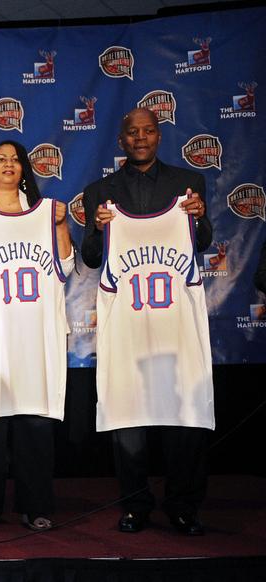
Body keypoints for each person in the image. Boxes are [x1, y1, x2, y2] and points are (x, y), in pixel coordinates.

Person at [82, 107, 213, 536]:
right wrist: (97, 228)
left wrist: (198, 216)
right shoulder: (100, 191)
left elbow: (203, 242)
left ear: (158, 136)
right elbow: (91, 258)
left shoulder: (188, 184)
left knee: (184, 416)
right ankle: (135, 504)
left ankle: (183, 505)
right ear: (121, 140)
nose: (140, 138)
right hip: (128, 327)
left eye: (148, 131)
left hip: (176, 324)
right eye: (132, 132)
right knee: (127, 418)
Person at [0, 140, 73, 531]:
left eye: (15, 159)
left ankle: (36, 504)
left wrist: (60, 226)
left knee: (35, 422)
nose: (8, 164)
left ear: (24, 168)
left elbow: (66, 266)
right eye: (0, 159)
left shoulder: (44, 212)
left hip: (34, 331)